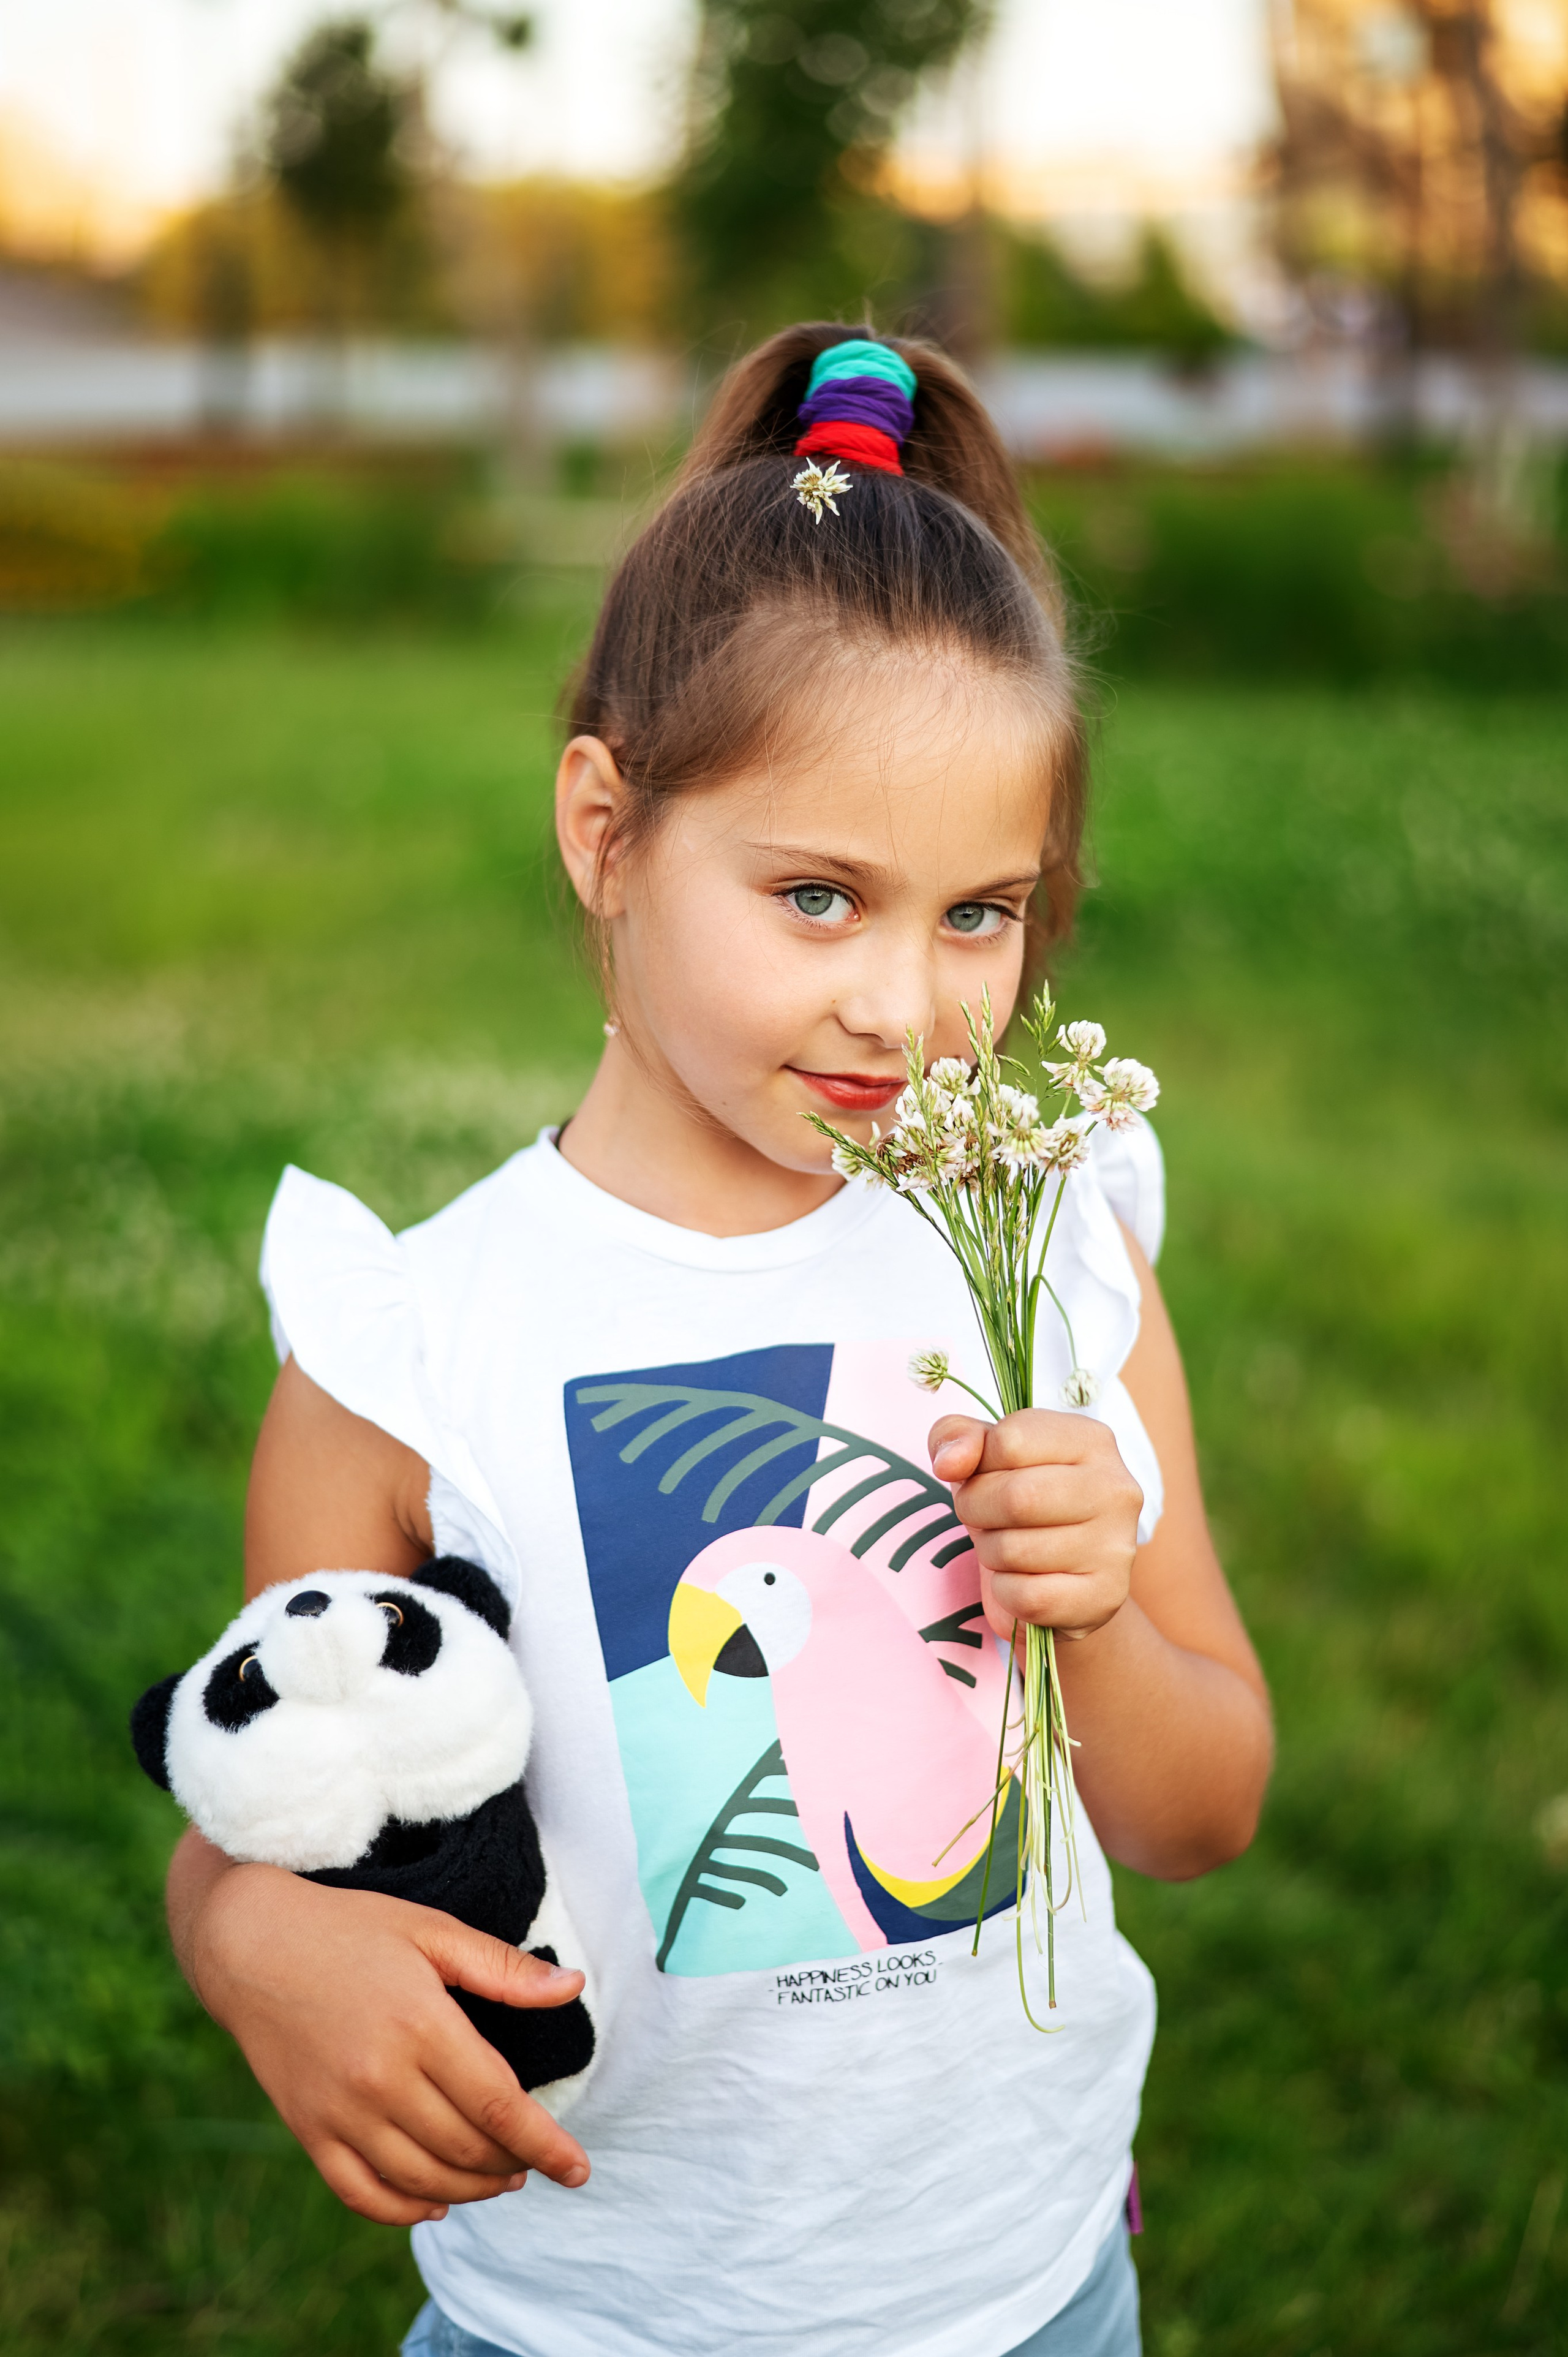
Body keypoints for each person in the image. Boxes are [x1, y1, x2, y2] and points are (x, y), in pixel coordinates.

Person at [164, 327, 1272, 2357]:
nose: (911, 1009)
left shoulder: (1046, 1250)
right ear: (607, 828)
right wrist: (247, 1943)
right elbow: (279, 1807)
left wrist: (1093, 1615)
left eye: (981, 914)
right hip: (585, 2313)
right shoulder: (405, 1352)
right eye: (819, 896)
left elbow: (1200, 1813)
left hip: (1023, 2291)